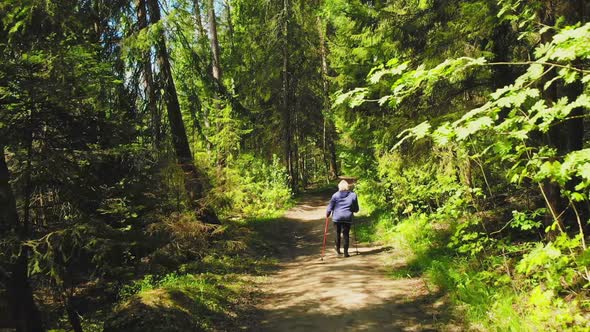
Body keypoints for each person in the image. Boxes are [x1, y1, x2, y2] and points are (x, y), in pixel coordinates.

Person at [326, 180, 359, 257]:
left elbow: (330, 207)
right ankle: (345, 252)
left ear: (339, 187)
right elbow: (356, 209)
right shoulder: (353, 195)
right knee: (346, 234)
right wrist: (353, 210)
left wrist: (328, 213)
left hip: (337, 217)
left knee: (337, 233)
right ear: (347, 187)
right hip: (347, 217)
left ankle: (337, 250)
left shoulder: (335, 195)